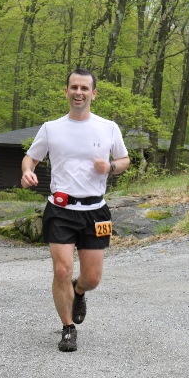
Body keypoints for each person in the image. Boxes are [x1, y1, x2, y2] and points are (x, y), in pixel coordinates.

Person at [21, 68, 130, 352]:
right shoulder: (51, 128)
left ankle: (78, 291)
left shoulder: (108, 127)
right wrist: (26, 172)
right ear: (66, 91)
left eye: (84, 88)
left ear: (93, 94)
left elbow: (124, 159)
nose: (78, 93)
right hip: (60, 208)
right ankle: (68, 328)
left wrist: (112, 167)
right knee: (61, 269)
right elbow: (30, 158)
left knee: (92, 278)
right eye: (74, 87)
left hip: (96, 210)